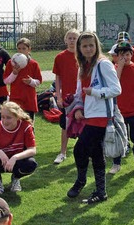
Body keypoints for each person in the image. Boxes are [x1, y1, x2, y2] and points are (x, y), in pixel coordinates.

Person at [65, 32, 121, 204]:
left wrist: (95, 92)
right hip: (88, 115)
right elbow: (79, 93)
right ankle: (101, 191)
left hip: (101, 116)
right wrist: (76, 107)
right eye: (84, 46)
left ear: (97, 46)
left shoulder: (103, 64)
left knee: (79, 149)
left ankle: (81, 182)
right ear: (79, 49)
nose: (88, 49)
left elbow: (116, 89)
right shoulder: (83, 66)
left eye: (91, 45)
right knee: (95, 152)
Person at [108, 41, 134, 175]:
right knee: (118, 138)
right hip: (119, 112)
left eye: (127, 54)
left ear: (131, 55)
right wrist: (119, 67)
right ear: (116, 56)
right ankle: (116, 164)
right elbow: (114, 84)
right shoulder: (114, 69)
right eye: (121, 55)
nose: (124, 58)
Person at [52, 29, 79, 165]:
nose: (72, 40)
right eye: (70, 38)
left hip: (82, 97)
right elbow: (58, 78)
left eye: (75, 38)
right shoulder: (60, 57)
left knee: (84, 124)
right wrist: (59, 96)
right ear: (65, 40)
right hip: (67, 98)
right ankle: (62, 152)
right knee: (65, 125)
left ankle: (84, 152)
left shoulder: (83, 55)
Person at [4, 38, 42, 119]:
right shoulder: (11, 63)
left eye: (24, 48)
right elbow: (6, 80)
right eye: (19, 48)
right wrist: (14, 74)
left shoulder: (33, 64)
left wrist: (31, 81)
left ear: (29, 50)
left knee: (29, 124)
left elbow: (39, 81)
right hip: (16, 99)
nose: (21, 51)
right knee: (15, 124)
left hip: (29, 99)